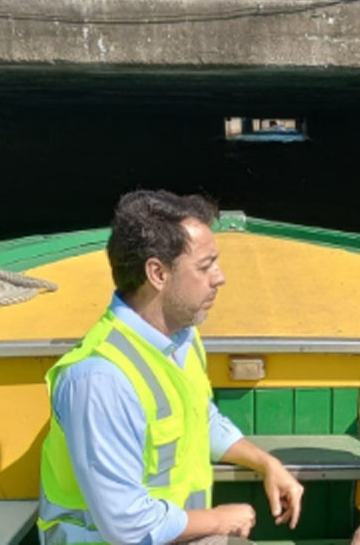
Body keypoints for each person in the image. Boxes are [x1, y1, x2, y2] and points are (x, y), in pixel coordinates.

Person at [37, 190, 304, 543]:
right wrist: (219, 520)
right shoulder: (100, 380)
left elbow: (199, 418)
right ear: (158, 273)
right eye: (205, 266)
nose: (220, 277)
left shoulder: (182, 338)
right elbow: (127, 525)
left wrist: (265, 462)